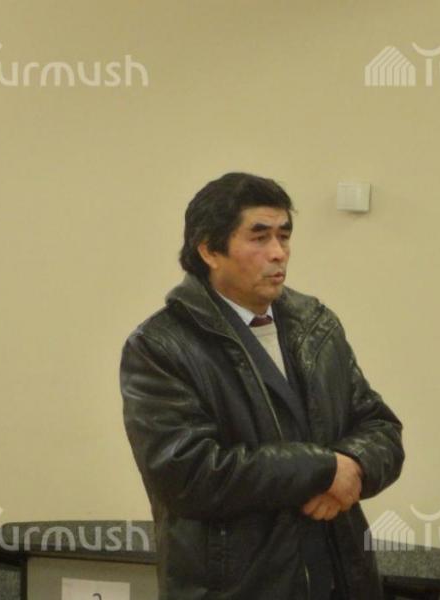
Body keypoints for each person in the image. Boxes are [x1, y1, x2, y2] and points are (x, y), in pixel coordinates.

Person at [120, 172, 404, 599]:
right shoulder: (161, 346)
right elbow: (188, 473)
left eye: (284, 236)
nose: (278, 253)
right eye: (259, 238)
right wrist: (324, 469)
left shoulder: (316, 326)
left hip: (340, 579)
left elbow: (381, 428)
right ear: (209, 250)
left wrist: (356, 466)